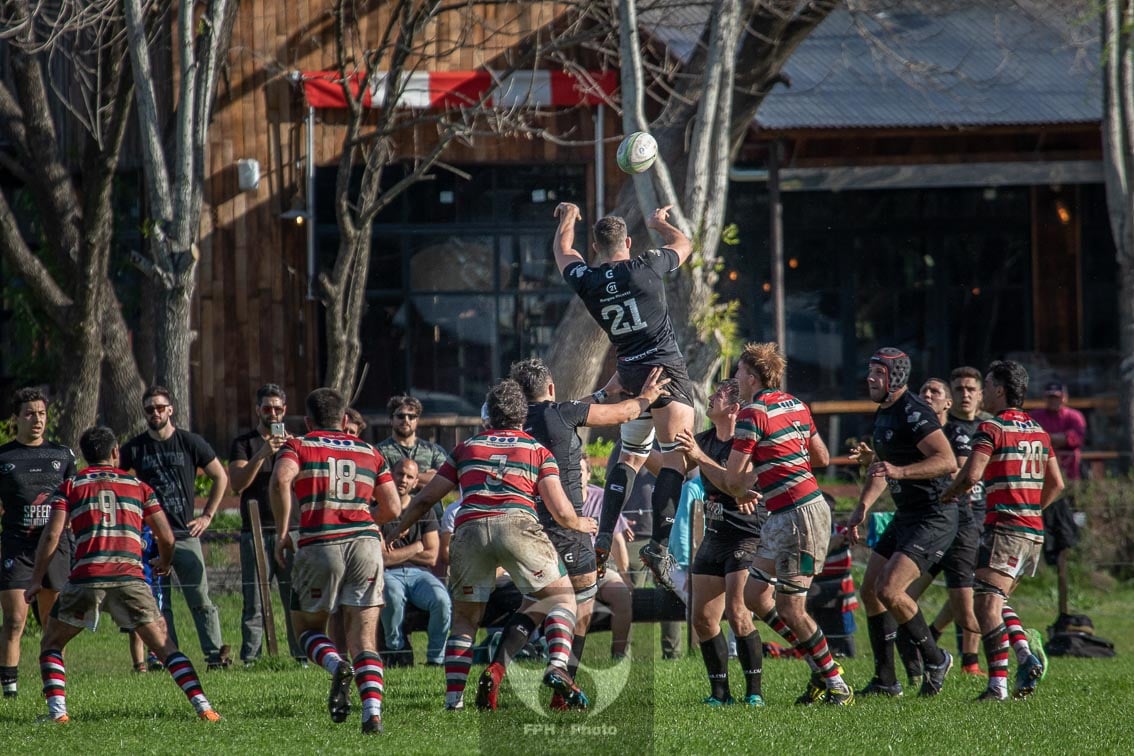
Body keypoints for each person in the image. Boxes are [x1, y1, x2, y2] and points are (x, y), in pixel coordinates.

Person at [389, 379, 597, 712]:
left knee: (465, 621)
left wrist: (397, 528)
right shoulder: (536, 450)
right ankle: (557, 666)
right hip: (517, 525)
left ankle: (453, 701)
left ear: (490, 414)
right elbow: (559, 510)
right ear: (522, 414)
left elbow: (427, 497)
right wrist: (580, 523)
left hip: (469, 529)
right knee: (561, 597)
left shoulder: (465, 448)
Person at [26, 426, 220, 723]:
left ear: (84, 457)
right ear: (115, 452)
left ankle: (58, 714)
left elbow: (52, 536)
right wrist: (164, 562)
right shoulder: (139, 486)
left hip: (86, 576)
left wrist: (36, 579)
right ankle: (204, 707)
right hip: (130, 576)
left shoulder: (71, 486)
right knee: (166, 648)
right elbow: (166, 537)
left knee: (51, 643)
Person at [506, 357, 668, 707]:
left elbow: (568, 411)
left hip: (522, 528)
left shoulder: (512, 422)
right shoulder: (560, 413)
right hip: (564, 527)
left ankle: (495, 669)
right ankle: (563, 685)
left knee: (533, 601)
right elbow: (620, 415)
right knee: (581, 603)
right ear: (550, 389)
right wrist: (648, 397)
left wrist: (601, 392)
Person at [551, 201, 695, 589]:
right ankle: (660, 547)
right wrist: (660, 223)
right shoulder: (646, 266)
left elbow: (564, 253)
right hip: (665, 372)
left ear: (596, 249)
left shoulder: (588, 279)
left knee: (631, 456)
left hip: (629, 375)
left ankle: (603, 535)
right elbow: (685, 244)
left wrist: (568, 217)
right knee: (675, 461)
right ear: (628, 242)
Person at [721, 343, 852, 706]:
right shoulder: (797, 405)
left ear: (751, 376)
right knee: (754, 597)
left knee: (792, 606)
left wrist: (739, 464)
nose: (734, 378)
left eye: (737, 372)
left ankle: (835, 682)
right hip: (785, 514)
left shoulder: (751, 413)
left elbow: (733, 480)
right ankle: (819, 664)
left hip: (800, 516)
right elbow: (822, 457)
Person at [270, 387, 400, 734]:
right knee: (365, 639)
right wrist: (364, 517)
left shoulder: (298, 445)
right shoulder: (370, 451)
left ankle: (335, 665)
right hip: (366, 546)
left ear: (308, 420)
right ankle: (372, 712)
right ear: (344, 420)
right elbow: (393, 508)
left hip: (320, 543)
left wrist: (283, 532)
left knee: (307, 630)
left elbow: (281, 480)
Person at [943, 360, 1064, 701]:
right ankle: (1023, 654)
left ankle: (1003, 680)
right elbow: (1057, 483)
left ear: (998, 389)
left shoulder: (992, 428)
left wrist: (947, 494)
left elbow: (971, 475)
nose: (980, 394)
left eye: (986, 386)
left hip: (1005, 527)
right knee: (992, 598)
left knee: (985, 607)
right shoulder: (1038, 430)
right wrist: (1031, 508)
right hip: (1032, 532)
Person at [845, 347, 958, 698]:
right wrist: (862, 506)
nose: (870, 378)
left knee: (890, 590)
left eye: (878, 373)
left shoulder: (914, 412)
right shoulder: (885, 413)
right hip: (907, 515)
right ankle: (886, 680)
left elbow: (947, 460)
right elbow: (883, 466)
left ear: (895, 377)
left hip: (933, 515)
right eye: (870, 371)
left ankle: (936, 659)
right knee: (870, 592)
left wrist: (902, 472)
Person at [668, 378, 765, 705]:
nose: (710, 397)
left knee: (738, 612)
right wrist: (641, 446)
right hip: (715, 536)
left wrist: (698, 455)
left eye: (719, 394)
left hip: (748, 535)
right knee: (703, 619)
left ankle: (754, 694)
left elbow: (732, 483)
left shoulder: (746, 442)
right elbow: (671, 468)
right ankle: (720, 694)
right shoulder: (704, 440)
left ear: (734, 408)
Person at [120, 386, 232, 670]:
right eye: (149, 409)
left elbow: (220, 475)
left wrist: (207, 515)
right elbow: (115, 479)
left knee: (201, 599)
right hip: (151, 537)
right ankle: (167, 657)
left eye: (160, 407)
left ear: (170, 409)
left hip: (185, 534)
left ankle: (215, 656)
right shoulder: (134, 448)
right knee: (158, 603)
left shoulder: (190, 442)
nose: (155, 413)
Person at [894, 378, 984, 686]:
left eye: (935, 392)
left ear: (947, 404)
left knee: (968, 616)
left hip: (958, 528)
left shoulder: (955, 433)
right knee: (898, 599)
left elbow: (958, 472)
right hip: (930, 526)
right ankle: (921, 668)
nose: (927, 395)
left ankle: (1021, 642)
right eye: (924, 390)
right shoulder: (917, 432)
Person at [0, 388, 77, 698]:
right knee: (15, 619)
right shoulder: (3, 458)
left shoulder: (63, 455)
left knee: (53, 623)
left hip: (55, 547)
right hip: (17, 547)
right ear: (16, 418)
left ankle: (55, 690)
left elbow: (76, 500)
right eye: (30, 413)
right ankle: (10, 691)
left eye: (42, 413)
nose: (37, 419)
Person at [228, 383, 304, 665]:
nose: (273, 414)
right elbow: (236, 484)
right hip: (255, 531)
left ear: (285, 410)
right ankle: (251, 657)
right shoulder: (244, 443)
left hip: (292, 529)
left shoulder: (295, 444)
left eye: (278, 408)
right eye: (267, 408)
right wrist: (262, 453)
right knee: (255, 600)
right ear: (257, 410)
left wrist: (289, 451)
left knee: (294, 598)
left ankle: (302, 656)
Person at [379, 459, 450, 666]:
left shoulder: (424, 511)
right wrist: (417, 547)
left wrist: (399, 553)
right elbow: (382, 558)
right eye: (400, 474)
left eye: (410, 477)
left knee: (442, 600)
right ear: (391, 475)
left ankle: (436, 658)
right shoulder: (379, 510)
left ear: (416, 482)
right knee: (391, 594)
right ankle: (396, 650)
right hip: (388, 573)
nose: (403, 480)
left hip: (420, 575)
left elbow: (432, 556)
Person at [1029, 380, 1086, 618]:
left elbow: (1075, 439)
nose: (1054, 400)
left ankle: (1070, 564)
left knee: (1070, 524)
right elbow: (1033, 439)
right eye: (1050, 396)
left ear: (1065, 397)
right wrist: (1056, 438)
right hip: (1041, 481)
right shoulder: (1035, 415)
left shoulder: (1074, 417)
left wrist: (1047, 439)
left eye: (1057, 396)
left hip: (1070, 481)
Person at [580, 457, 633, 660]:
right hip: (572, 567)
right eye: (573, 471)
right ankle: (570, 656)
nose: (577, 475)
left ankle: (619, 654)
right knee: (582, 601)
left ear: (589, 474)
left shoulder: (603, 497)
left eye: (581, 470)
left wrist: (625, 575)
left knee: (622, 596)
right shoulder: (562, 498)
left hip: (601, 564)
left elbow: (618, 539)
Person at [376, 395, 447, 490]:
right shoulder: (378, 452)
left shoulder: (435, 451)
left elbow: (444, 480)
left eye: (411, 416)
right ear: (391, 420)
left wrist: (396, 477)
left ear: (417, 420)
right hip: (395, 504)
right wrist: (425, 477)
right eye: (401, 416)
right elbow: (378, 483)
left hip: (429, 504)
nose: (406, 420)